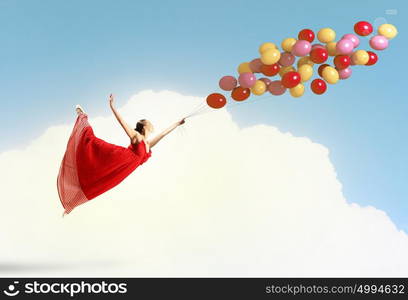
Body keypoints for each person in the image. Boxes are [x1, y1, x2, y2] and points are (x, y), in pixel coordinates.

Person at [57, 94, 186, 216]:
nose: (152, 125)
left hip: (122, 169)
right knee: (91, 144)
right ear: (145, 126)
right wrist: (112, 105)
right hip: (117, 158)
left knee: (98, 182)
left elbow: (163, 134)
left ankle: (70, 204)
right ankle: (82, 115)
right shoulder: (137, 137)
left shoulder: (147, 144)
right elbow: (121, 121)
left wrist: (177, 123)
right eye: (149, 123)